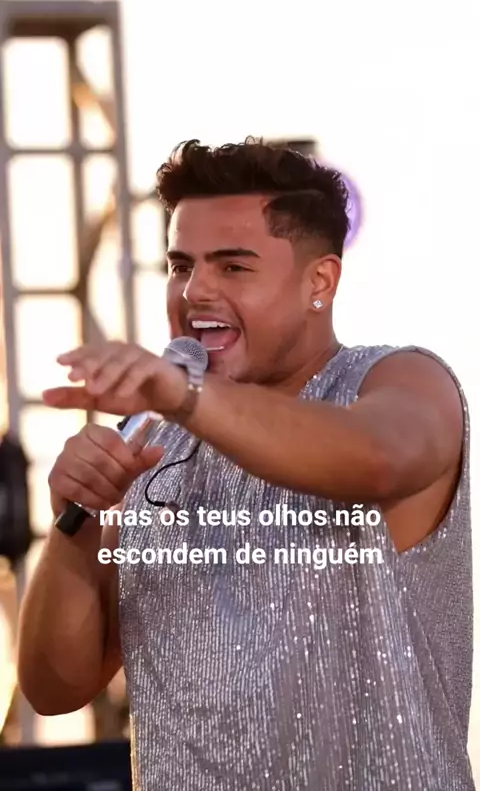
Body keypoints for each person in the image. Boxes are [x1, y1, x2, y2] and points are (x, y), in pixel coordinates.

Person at [18, 139, 474, 790]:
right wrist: (77, 521)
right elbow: (54, 688)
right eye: (181, 265)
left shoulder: (398, 379)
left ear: (320, 282)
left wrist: (183, 391)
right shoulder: (155, 441)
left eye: (232, 266)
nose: (195, 291)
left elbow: (377, 458)